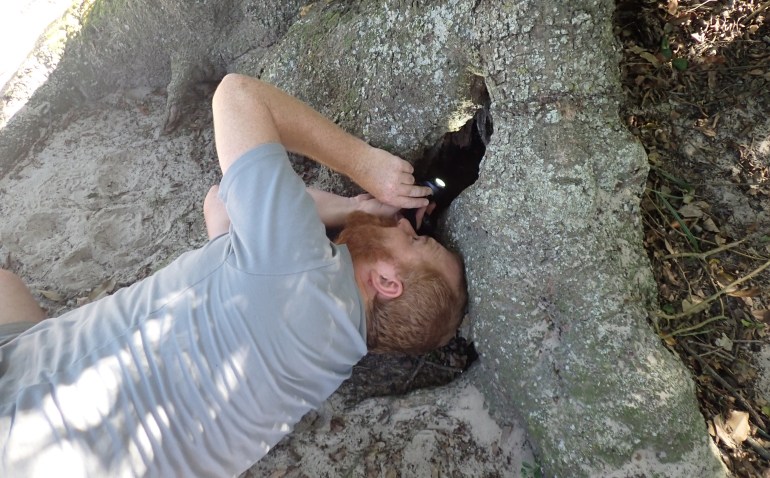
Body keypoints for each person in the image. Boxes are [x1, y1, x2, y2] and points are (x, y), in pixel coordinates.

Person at [0, 73, 467, 477]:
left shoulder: (299, 267)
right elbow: (222, 204)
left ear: (388, 283)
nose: (407, 225)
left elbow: (237, 96)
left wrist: (365, 170)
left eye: (417, 242)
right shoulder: (327, 360)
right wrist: (356, 212)